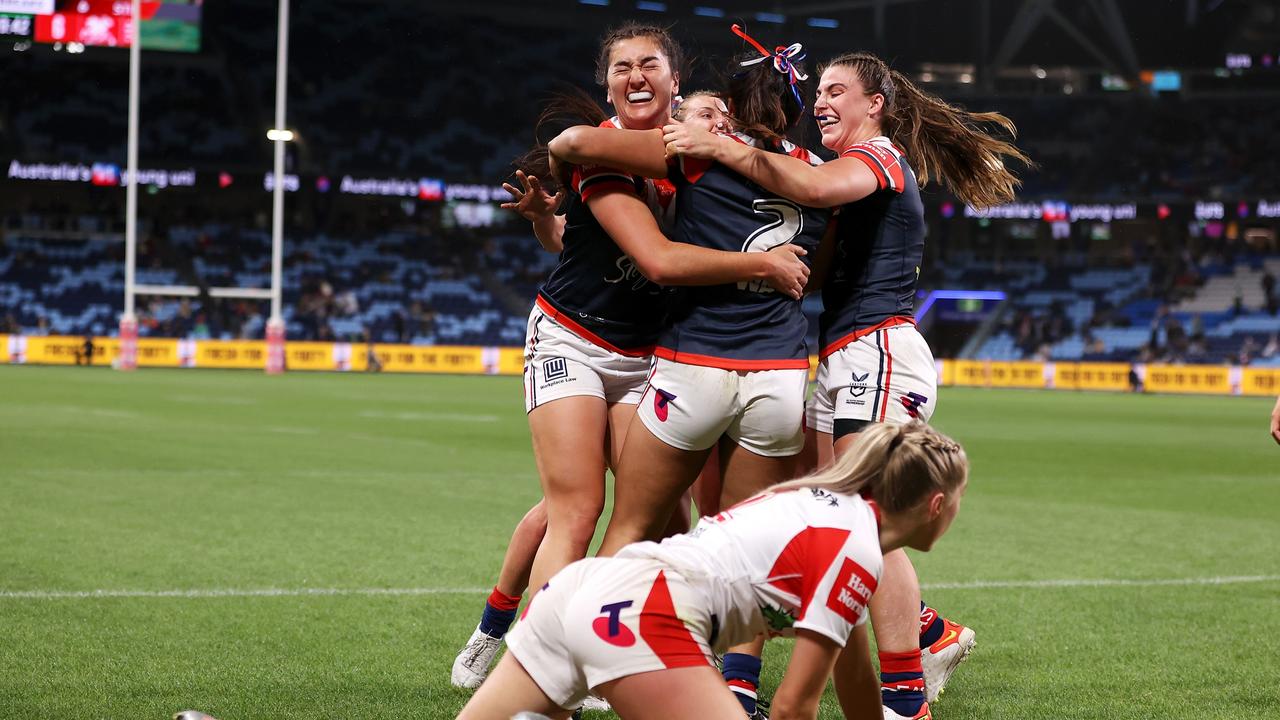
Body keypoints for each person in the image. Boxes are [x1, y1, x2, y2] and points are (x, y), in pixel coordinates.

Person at [662, 49, 1029, 719]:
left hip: (877, 349)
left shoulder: (881, 158)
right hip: (843, 355)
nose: (822, 101)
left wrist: (719, 145)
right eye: (819, 90)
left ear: (875, 105)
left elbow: (816, 192)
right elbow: (819, 247)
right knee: (819, 509)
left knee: (868, 520)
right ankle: (925, 634)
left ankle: (904, 700)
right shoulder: (849, 172)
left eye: (837, 90)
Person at [450, 25, 809, 692]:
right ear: (607, 81)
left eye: (651, 64)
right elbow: (656, 260)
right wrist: (766, 263)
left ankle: (528, 628)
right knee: (579, 508)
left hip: (648, 352)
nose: (636, 75)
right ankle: (541, 667)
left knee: (655, 515)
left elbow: (575, 241)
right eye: (622, 66)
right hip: (572, 339)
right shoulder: (612, 153)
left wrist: (542, 223)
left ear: (676, 81)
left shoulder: (691, 153)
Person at [549, 29, 830, 715]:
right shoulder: (818, 178)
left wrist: (694, 139)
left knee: (631, 524)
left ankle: (572, 669)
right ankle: (735, 686)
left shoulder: (698, 158)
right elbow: (819, 272)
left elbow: (576, 145)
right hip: (780, 376)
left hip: (695, 364)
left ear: (728, 107)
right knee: (741, 542)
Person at [455, 421, 969, 720]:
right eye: (959, 501)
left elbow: (854, 674)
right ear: (935, 504)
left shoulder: (822, 509)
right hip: (644, 621)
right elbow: (792, 709)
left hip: (578, 592)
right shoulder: (856, 549)